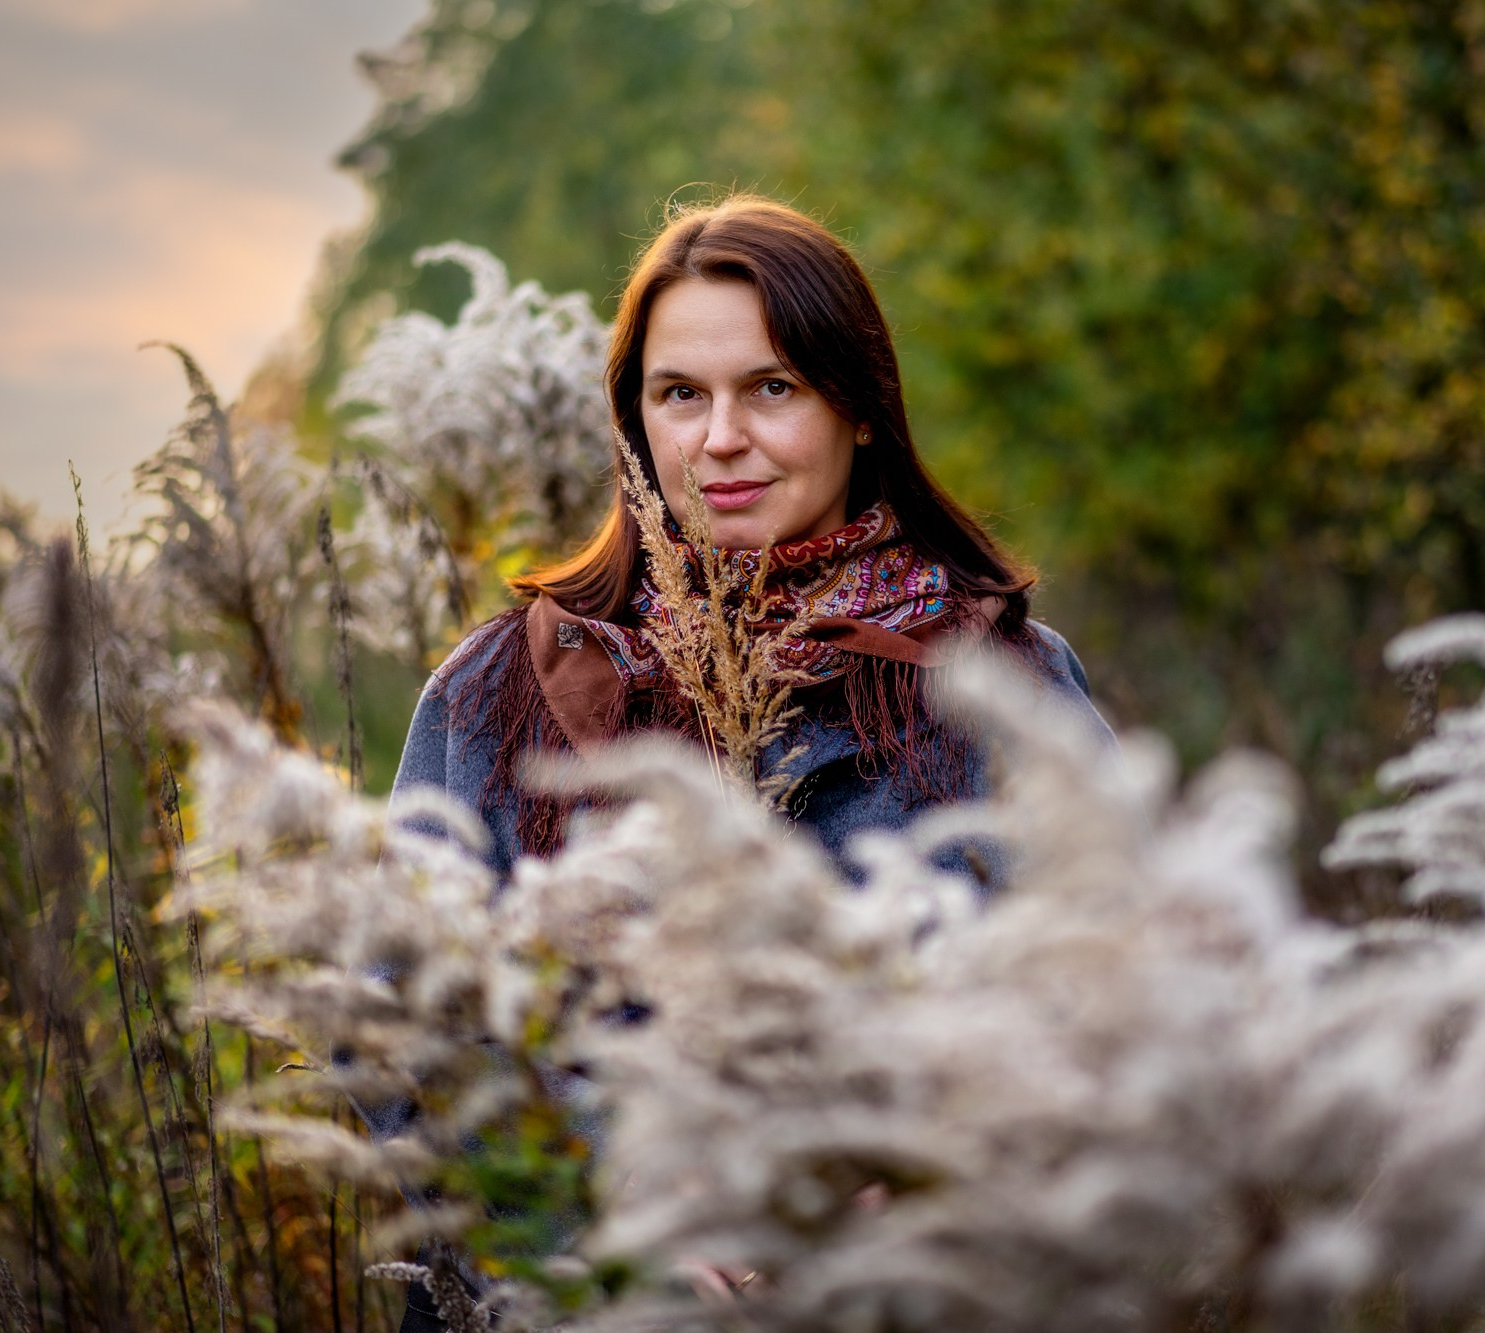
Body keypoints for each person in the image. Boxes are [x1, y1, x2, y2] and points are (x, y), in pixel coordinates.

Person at [375, 194, 1110, 1330]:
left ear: (858, 408)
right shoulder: (496, 694)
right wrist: (604, 1203)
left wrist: (932, 1174)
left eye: (771, 387)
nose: (719, 438)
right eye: (680, 395)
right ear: (636, 426)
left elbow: (1120, 1000)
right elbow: (398, 1043)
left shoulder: (999, 685)